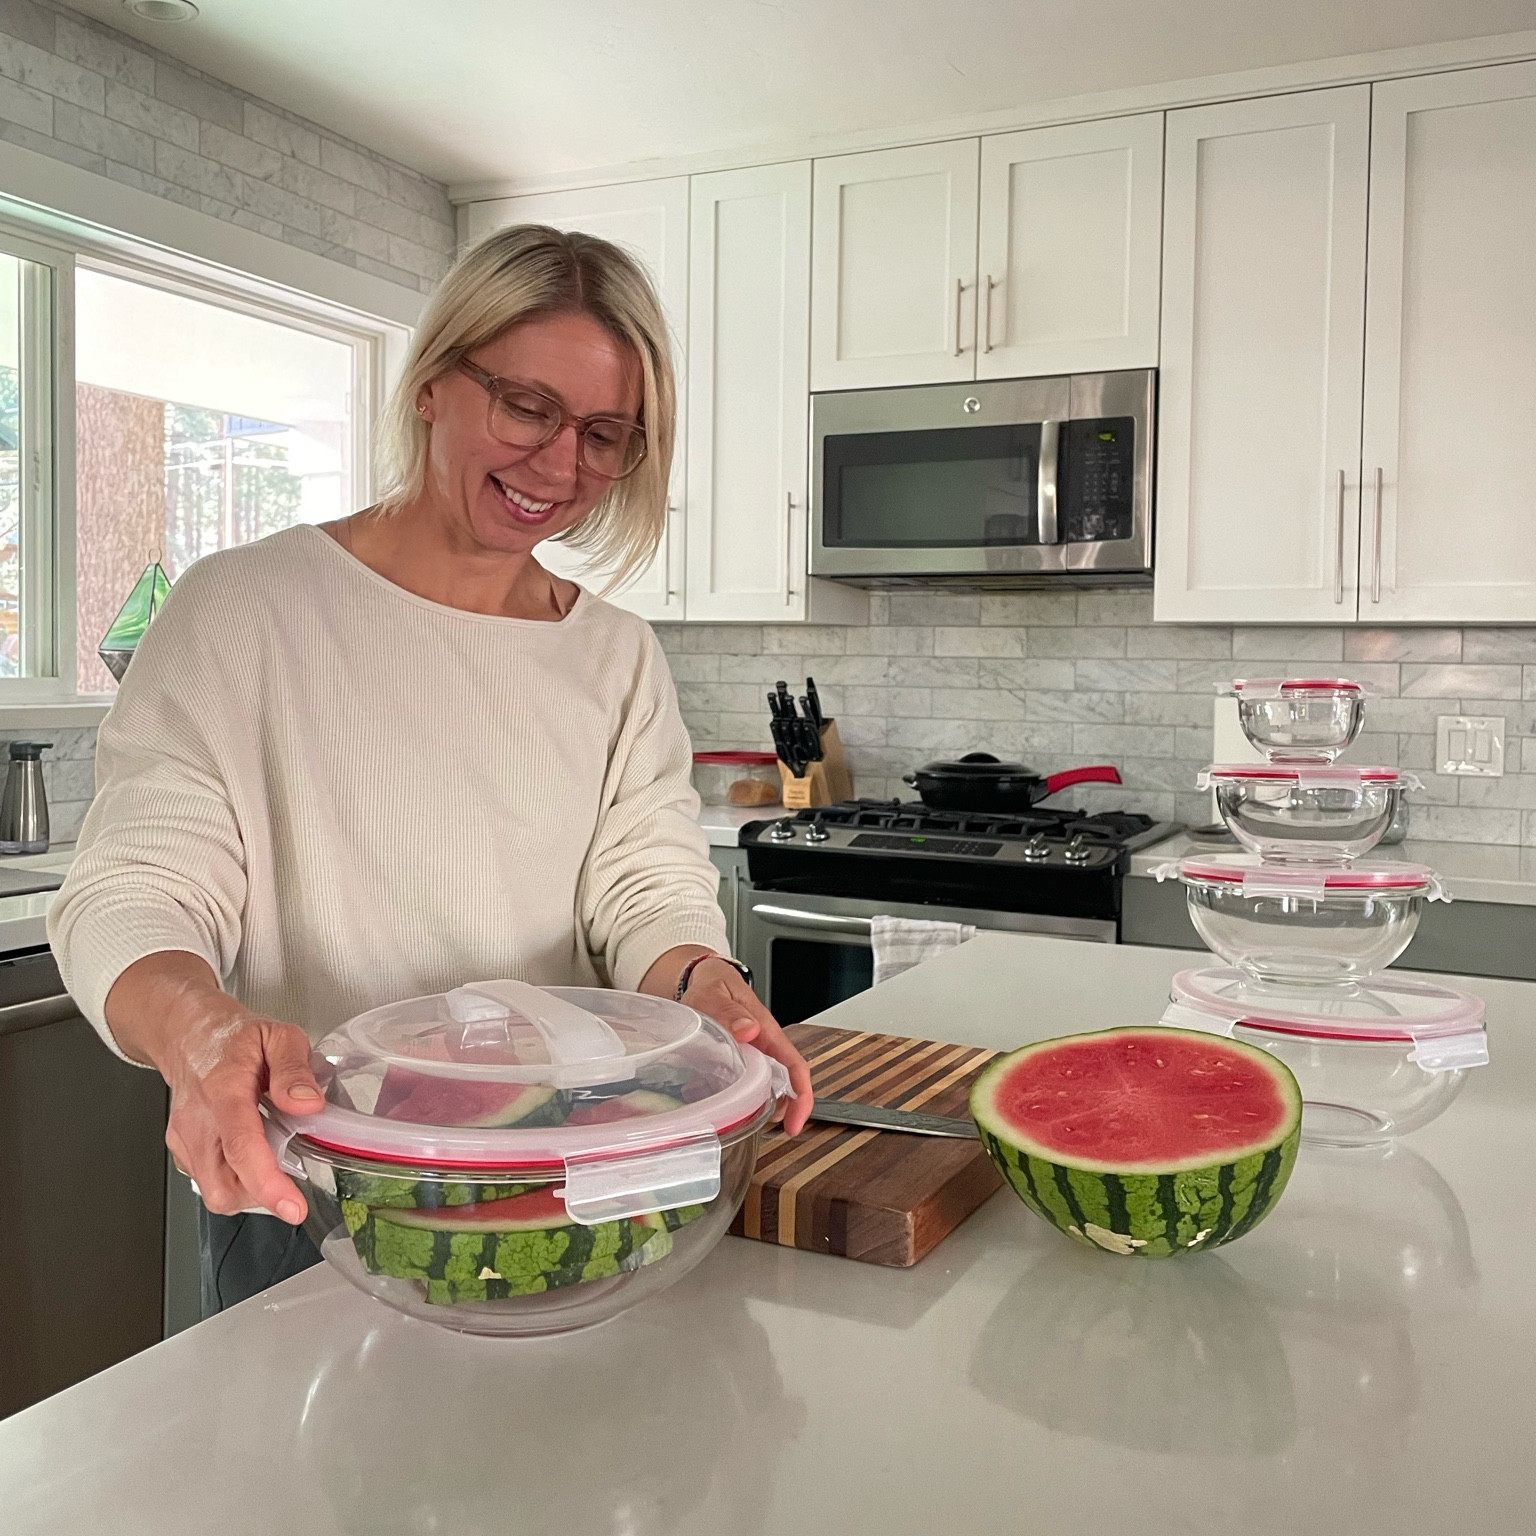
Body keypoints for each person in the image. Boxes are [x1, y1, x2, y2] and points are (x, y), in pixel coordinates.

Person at [48, 223, 814, 1317]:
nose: (560, 467)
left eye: (605, 434)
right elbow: (132, 891)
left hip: (563, 1195)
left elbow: (644, 891)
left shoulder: (614, 655)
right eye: (527, 408)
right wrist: (198, 1029)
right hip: (316, 1196)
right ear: (432, 382)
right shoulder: (241, 612)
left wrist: (704, 984)